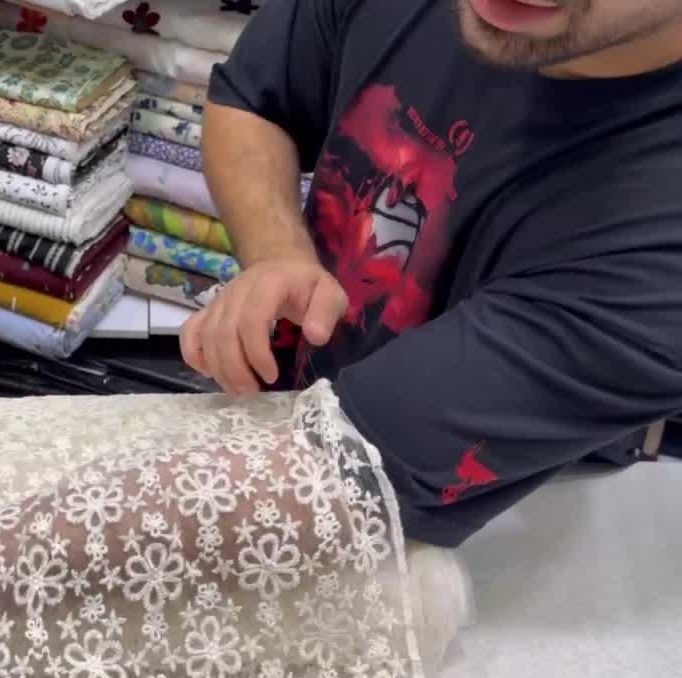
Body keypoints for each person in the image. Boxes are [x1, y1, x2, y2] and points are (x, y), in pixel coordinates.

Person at [183, 0, 682, 548]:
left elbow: (313, 471)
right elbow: (256, 99)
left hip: (493, 530)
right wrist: (277, 249)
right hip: (298, 440)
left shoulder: (660, 254)